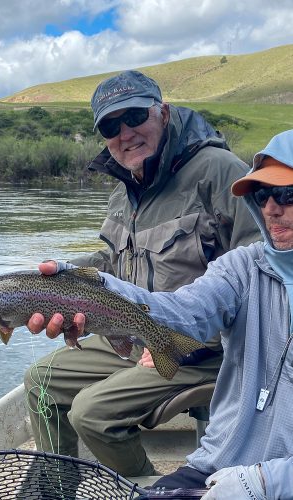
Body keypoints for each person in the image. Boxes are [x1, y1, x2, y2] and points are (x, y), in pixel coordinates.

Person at [24, 70, 260, 477]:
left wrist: (185, 338)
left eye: (134, 116)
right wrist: (49, 282)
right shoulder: (123, 188)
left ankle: (146, 488)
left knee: (91, 413)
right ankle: (56, 487)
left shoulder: (218, 170)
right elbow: (113, 262)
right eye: (110, 125)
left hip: (203, 349)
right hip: (134, 334)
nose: (125, 132)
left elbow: (261, 269)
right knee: (40, 380)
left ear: (163, 113)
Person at [39, 129, 293, 498]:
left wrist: (265, 482)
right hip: (216, 466)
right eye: (263, 194)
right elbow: (178, 312)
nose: (271, 208)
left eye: (287, 195)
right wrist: (89, 290)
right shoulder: (242, 267)